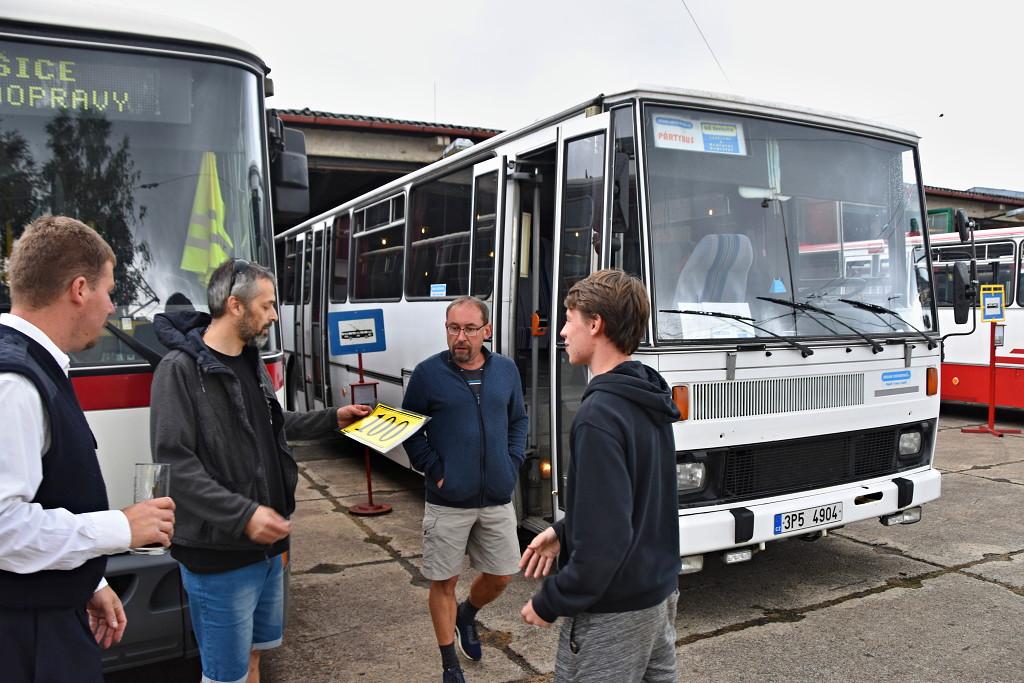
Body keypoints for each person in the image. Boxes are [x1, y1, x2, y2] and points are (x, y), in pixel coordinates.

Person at [150, 259, 370, 683]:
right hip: (219, 559)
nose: (273, 315)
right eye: (267, 306)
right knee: (224, 676)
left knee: (255, 661)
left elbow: (273, 423)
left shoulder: (249, 361)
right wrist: (245, 515)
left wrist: (332, 419)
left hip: (268, 552)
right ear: (235, 305)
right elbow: (175, 466)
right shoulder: (177, 371)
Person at [0, 216, 176, 683]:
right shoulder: (14, 382)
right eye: (109, 290)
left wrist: (88, 580)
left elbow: (41, 499)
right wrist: (121, 527)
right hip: (28, 640)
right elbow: (2, 526)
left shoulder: (29, 365)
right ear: (80, 289)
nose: (112, 305)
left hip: (45, 613)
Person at [519, 269, 681, 683]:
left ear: (595, 324)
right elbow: (636, 502)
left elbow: (605, 544)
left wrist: (551, 600)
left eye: (569, 319)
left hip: (614, 612)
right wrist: (566, 530)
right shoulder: (648, 398)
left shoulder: (598, 416)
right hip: (658, 597)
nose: (561, 331)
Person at [402, 296, 528, 683]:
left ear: (486, 331)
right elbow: (410, 429)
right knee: (443, 581)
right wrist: (435, 469)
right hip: (447, 501)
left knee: (503, 575)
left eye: (470, 329)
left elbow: (518, 420)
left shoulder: (506, 370)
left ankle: (467, 613)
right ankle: (449, 666)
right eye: (453, 328)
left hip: (495, 496)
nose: (460, 337)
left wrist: (512, 463)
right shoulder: (427, 374)